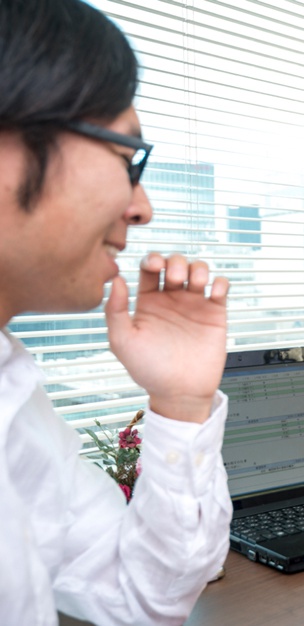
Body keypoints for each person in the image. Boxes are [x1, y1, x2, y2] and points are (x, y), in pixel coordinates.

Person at [0, 1, 232, 623]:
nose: (143, 207)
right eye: (126, 159)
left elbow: (140, 598)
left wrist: (181, 404)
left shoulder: (15, 401)